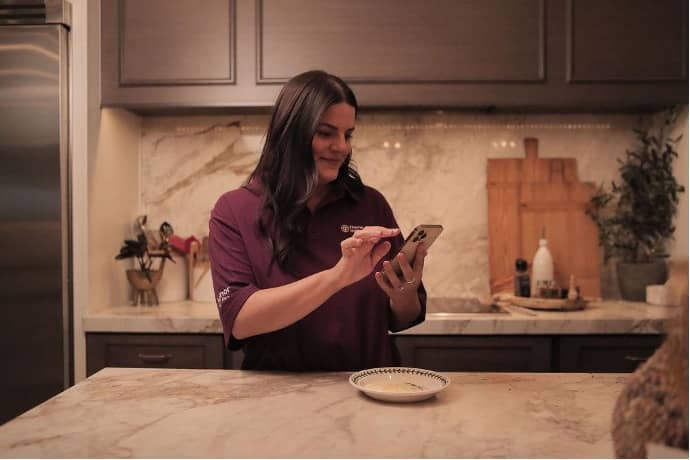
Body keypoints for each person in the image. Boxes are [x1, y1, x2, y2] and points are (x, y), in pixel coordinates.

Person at [208, 70, 427, 371]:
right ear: (290, 133)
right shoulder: (234, 210)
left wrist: (403, 295)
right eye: (326, 133)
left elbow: (402, 318)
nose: (342, 146)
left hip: (371, 391)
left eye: (348, 134)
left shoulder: (370, 204)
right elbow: (240, 320)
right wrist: (338, 276)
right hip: (274, 401)